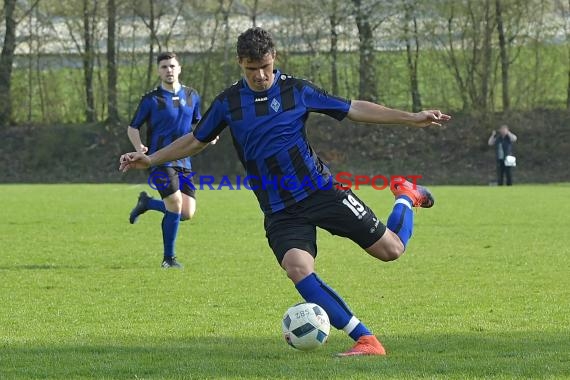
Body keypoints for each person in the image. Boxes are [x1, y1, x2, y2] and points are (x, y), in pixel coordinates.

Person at [119, 28, 451, 355]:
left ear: (274, 58)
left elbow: (353, 108)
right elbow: (194, 140)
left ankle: (406, 196)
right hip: (279, 209)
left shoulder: (296, 91)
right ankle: (366, 340)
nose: (260, 75)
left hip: (322, 191)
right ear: (240, 63)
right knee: (297, 268)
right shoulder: (228, 102)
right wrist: (150, 158)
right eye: (252, 69)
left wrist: (410, 118)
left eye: (265, 66)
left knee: (391, 250)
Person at [126, 52, 202, 269]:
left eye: (172, 66)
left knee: (187, 213)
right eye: (164, 67)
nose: (169, 70)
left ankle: (147, 203)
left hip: (184, 162)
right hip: (159, 161)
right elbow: (132, 127)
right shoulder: (151, 100)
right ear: (158, 71)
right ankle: (169, 259)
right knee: (175, 204)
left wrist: (209, 136)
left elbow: (198, 124)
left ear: (179, 68)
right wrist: (138, 147)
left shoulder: (192, 95)